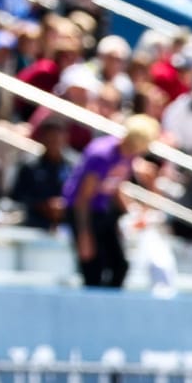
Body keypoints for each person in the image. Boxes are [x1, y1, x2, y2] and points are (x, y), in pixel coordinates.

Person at [67, 115, 159, 290]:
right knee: (93, 269)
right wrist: (84, 235)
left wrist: (130, 213)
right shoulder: (101, 155)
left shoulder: (128, 156)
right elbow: (83, 198)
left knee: (120, 266)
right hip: (83, 212)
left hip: (102, 210)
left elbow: (114, 185)